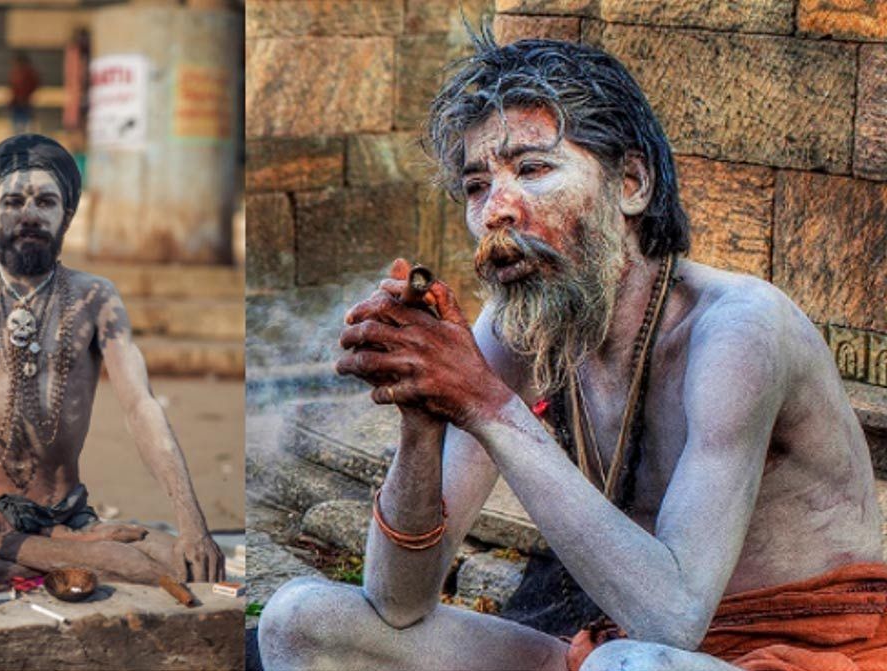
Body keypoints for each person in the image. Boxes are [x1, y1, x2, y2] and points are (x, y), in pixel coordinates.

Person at [257, 36, 886, 671]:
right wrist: (422, 421)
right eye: (478, 185)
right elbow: (397, 602)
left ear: (631, 185)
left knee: (632, 666)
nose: (497, 210)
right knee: (302, 622)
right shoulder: (519, 326)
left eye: (532, 170)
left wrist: (486, 405)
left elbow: (672, 621)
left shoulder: (739, 333)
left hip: (808, 655)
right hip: (628, 651)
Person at [0, 134, 224, 599]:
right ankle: (44, 551)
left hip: (65, 512)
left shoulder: (97, 298)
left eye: (46, 201)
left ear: (66, 217)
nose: (30, 213)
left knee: (192, 567)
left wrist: (193, 522)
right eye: (13, 201)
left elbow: (141, 406)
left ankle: (14, 554)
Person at [8, 53, 40, 134]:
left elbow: (34, 85)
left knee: (26, 123)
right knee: (17, 124)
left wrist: (26, 96)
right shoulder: (15, 72)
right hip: (17, 102)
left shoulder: (29, 73)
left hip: (25, 101)